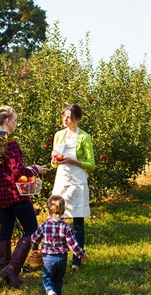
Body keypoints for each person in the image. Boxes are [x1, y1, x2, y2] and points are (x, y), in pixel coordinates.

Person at [0, 105, 48, 288]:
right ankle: (12, 268)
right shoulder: (9, 142)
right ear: (8, 121)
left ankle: (4, 270)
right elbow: (17, 171)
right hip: (15, 193)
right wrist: (35, 169)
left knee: (5, 231)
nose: (16, 124)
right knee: (32, 229)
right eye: (15, 120)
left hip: (1, 193)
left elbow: (2, 168)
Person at [50, 104, 95, 272]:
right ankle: (58, 257)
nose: (65, 119)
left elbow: (91, 165)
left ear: (77, 118)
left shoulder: (84, 137)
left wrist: (72, 161)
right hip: (62, 179)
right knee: (57, 219)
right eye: (64, 116)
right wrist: (55, 160)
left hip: (77, 181)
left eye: (69, 117)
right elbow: (54, 163)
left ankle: (76, 261)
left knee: (78, 223)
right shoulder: (58, 135)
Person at [31, 195, 87, 295]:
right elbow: (73, 244)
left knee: (47, 278)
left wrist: (34, 248)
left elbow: (34, 238)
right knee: (59, 279)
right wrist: (81, 254)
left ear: (48, 209)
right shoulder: (66, 226)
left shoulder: (44, 226)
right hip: (62, 258)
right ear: (63, 209)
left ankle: (50, 292)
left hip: (48, 258)